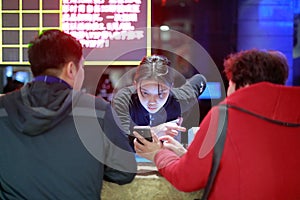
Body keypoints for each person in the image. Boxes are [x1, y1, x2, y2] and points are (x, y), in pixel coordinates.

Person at [133, 49, 300, 199]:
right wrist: (186, 155)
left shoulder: (224, 117)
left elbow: (187, 178)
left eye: (230, 83)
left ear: (241, 83)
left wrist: (157, 153)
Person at [0, 29, 137, 199]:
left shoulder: (2, 109)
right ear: (71, 69)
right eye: (83, 66)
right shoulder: (97, 110)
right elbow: (124, 172)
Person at [112, 54, 207, 148]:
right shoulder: (124, 100)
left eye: (161, 94)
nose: (152, 101)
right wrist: (156, 131)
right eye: (145, 93)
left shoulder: (180, 99)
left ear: (170, 87)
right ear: (136, 85)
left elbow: (200, 79)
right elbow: (120, 139)